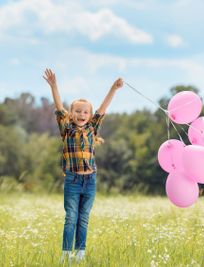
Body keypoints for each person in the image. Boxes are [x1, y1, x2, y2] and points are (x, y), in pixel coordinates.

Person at [43, 68, 123, 263]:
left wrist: (114, 88)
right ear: (71, 114)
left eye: (85, 112)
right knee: (71, 217)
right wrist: (54, 86)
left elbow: (102, 109)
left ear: (89, 115)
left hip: (90, 180)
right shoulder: (67, 129)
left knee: (83, 219)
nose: (82, 114)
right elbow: (59, 107)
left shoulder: (91, 128)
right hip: (73, 179)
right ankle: (65, 255)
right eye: (77, 111)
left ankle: (79, 256)